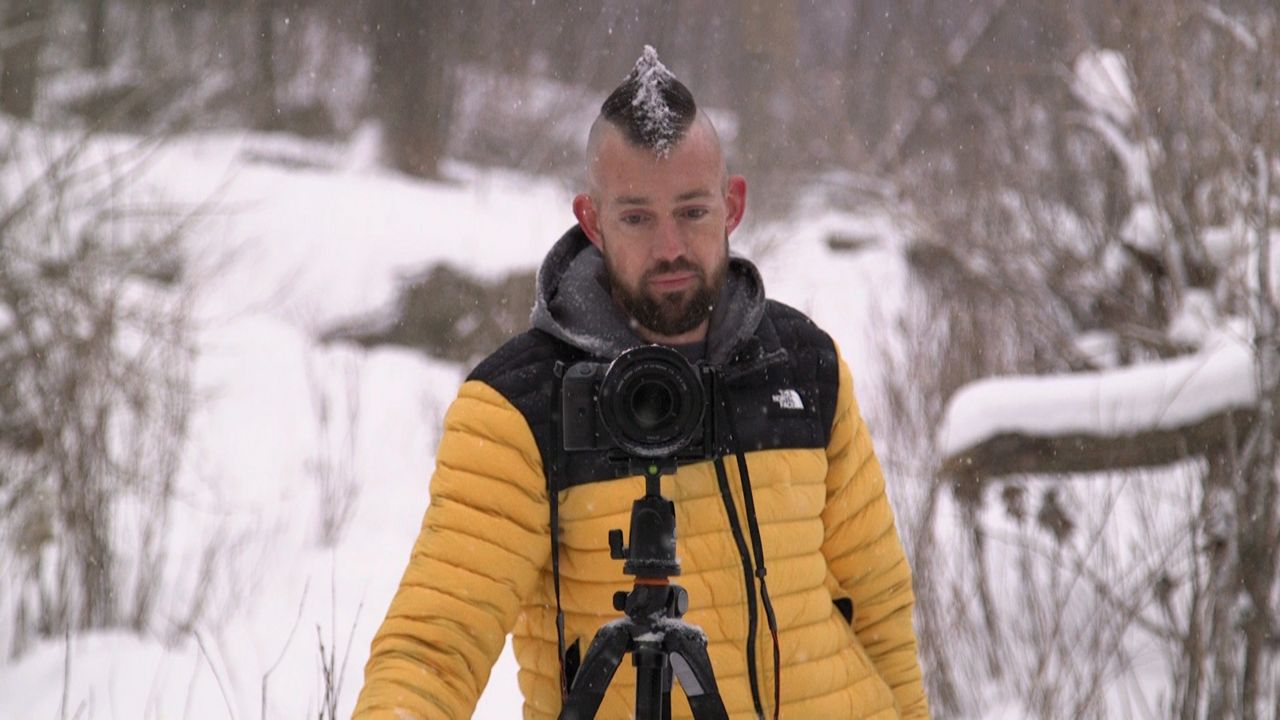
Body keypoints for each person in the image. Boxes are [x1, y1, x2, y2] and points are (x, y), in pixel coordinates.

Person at [353, 48, 929, 720]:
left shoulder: (803, 365)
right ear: (592, 220)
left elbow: (878, 605)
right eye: (636, 217)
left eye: (691, 211)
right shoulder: (520, 406)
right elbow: (435, 645)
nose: (669, 249)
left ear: (732, 204)